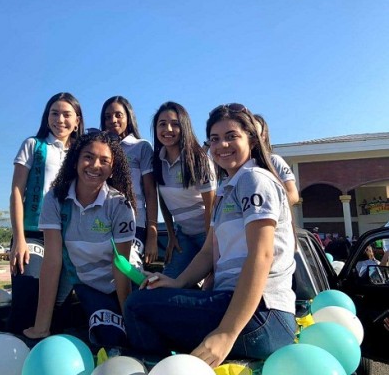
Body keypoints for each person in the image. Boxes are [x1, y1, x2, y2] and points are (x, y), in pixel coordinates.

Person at [125, 103, 297, 367]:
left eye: (231, 136)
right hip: (233, 306)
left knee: (137, 307)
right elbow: (207, 253)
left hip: (262, 314)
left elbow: (261, 255)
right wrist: (176, 282)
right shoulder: (228, 188)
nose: (222, 145)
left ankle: (158, 369)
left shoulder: (255, 179)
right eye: (215, 139)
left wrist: (227, 333)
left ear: (251, 139)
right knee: (148, 297)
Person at [23, 131, 136, 348]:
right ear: (75, 160)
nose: (95, 165)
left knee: (120, 341)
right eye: (88, 157)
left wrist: (128, 320)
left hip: (122, 284)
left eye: (104, 161)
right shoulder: (55, 199)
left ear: (113, 169)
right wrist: (41, 326)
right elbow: (53, 261)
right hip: (87, 284)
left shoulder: (120, 205)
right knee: (105, 337)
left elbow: (121, 267)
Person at [8, 92, 84, 334]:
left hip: (66, 236)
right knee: (28, 295)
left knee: (58, 305)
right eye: (54, 113)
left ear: (77, 121)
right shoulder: (33, 145)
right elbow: (17, 193)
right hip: (32, 234)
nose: (59, 119)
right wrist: (19, 239)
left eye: (66, 114)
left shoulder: (82, 153)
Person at [152, 101, 215, 278]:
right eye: (162, 124)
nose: (168, 129)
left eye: (175, 124)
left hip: (207, 234)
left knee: (213, 286)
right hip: (183, 236)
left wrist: (209, 245)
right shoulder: (156, 160)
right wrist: (171, 234)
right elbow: (163, 200)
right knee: (168, 281)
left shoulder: (199, 158)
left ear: (184, 126)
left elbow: (211, 205)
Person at [100, 96, 158, 266]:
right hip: (103, 222)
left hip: (136, 223)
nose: (113, 120)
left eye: (118, 115)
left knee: (128, 268)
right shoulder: (99, 148)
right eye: (107, 116)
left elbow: (150, 193)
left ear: (128, 117)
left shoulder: (141, 147)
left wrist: (152, 235)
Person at [253, 114, 299, 205]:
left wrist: (265, 209)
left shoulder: (274, 160)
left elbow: (293, 195)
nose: (252, 137)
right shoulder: (233, 166)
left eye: (256, 132)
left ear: (264, 135)